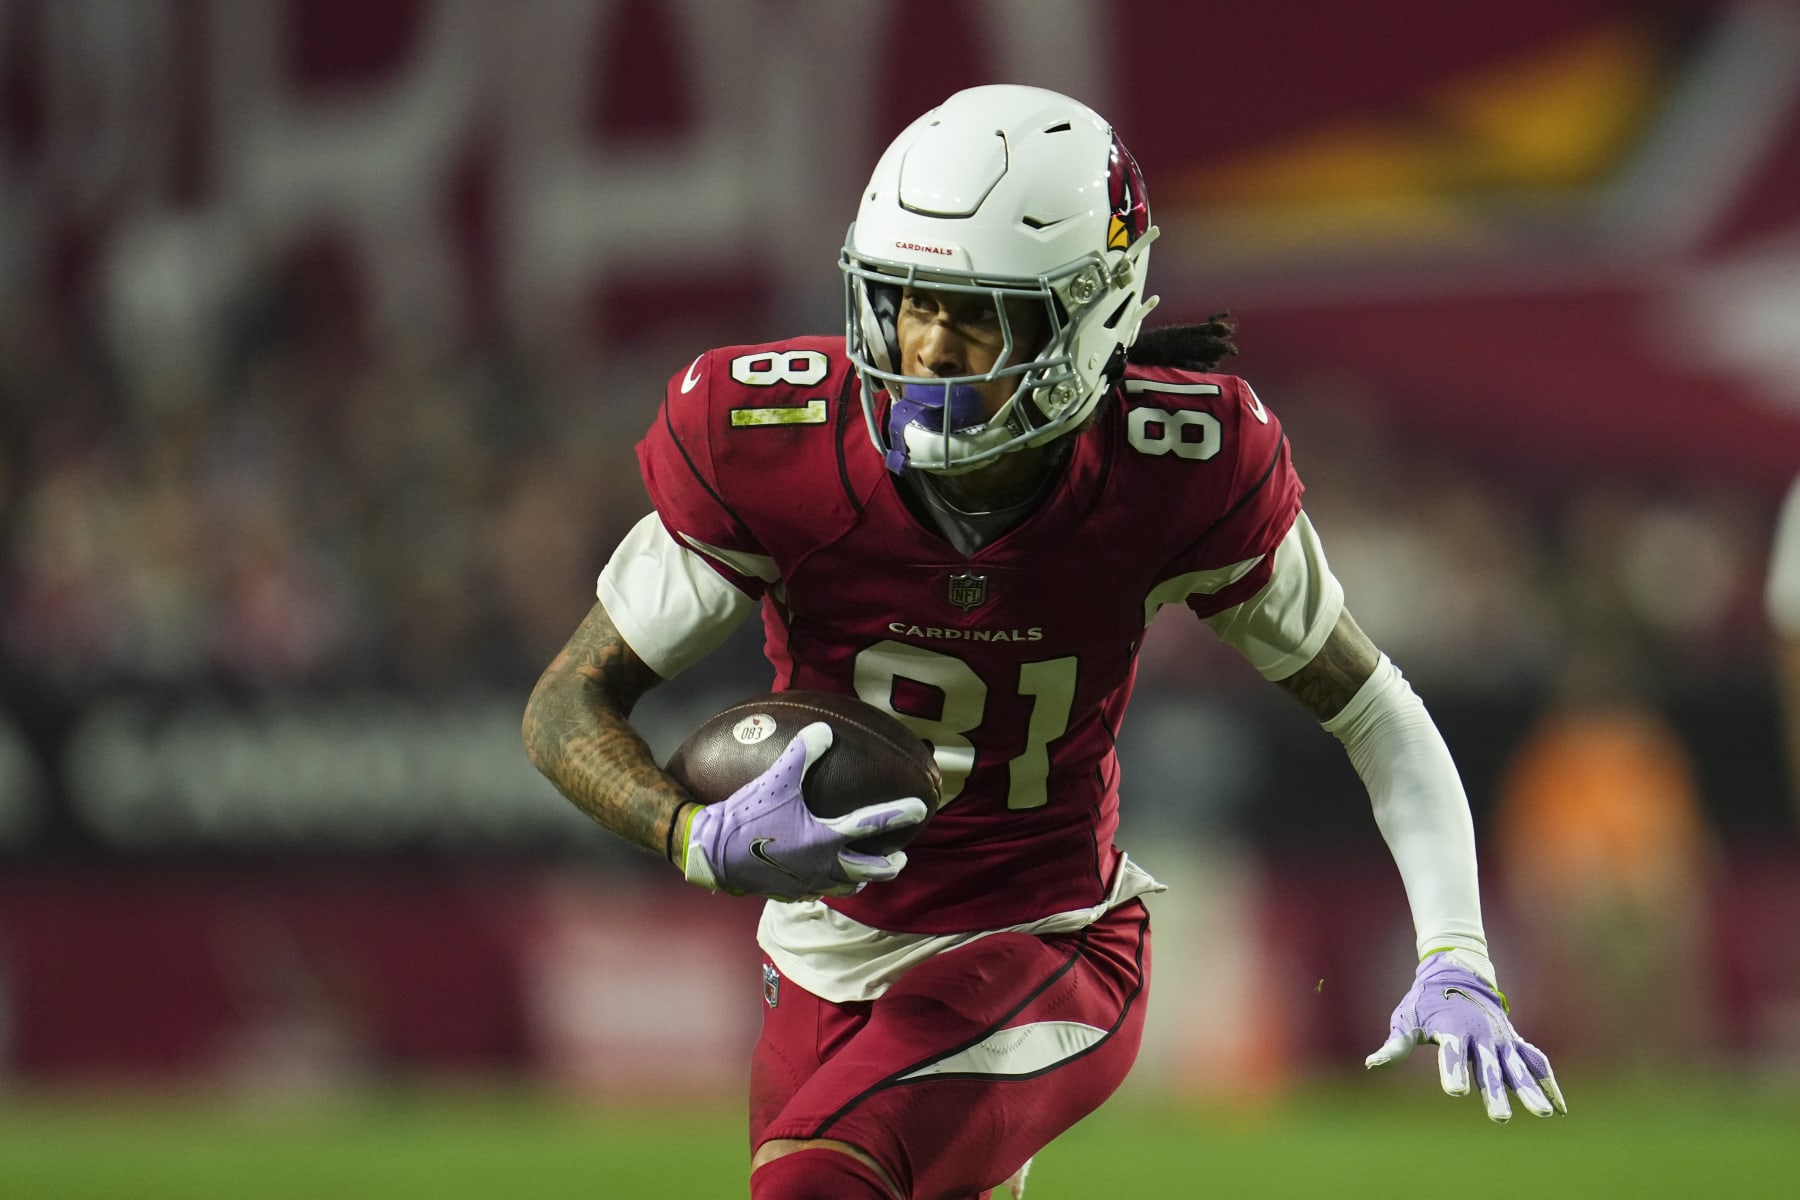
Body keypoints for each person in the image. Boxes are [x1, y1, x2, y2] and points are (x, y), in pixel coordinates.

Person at [523, 84, 1565, 1200]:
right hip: (818, 958)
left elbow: (1373, 709)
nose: (927, 348)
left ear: (1090, 319)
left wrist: (1455, 948)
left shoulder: (1183, 465)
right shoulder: (771, 440)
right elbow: (564, 707)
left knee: (814, 1188)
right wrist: (690, 833)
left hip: (1046, 941)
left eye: (978, 315)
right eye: (907, 301)